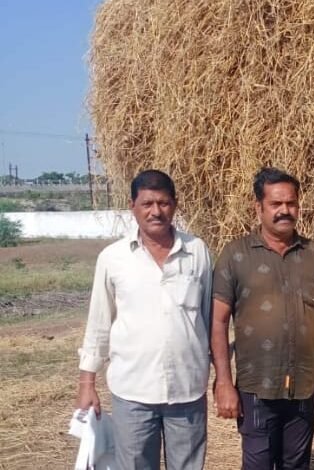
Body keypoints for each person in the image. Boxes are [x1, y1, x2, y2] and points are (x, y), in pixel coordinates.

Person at [76, 169, 213, 470]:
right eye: (147, 204)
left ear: (174, 205)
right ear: (132, 206)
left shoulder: (197, 252)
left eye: (163, 203)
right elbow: (99, 323)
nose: (156, 212)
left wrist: (222, 379)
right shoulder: (113, 258)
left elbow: (208, 318)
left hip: (187, 389)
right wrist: (87, 383)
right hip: (133, 391)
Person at [211, 167, 314, 470]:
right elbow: (218, 322)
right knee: (258, 464)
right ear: (259, 208)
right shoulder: (236, 255)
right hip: (256, 387)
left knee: (297, 464)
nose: (284, 211)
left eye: (291, 203)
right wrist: (223, 382)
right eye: (275, 204)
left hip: (304, 385)